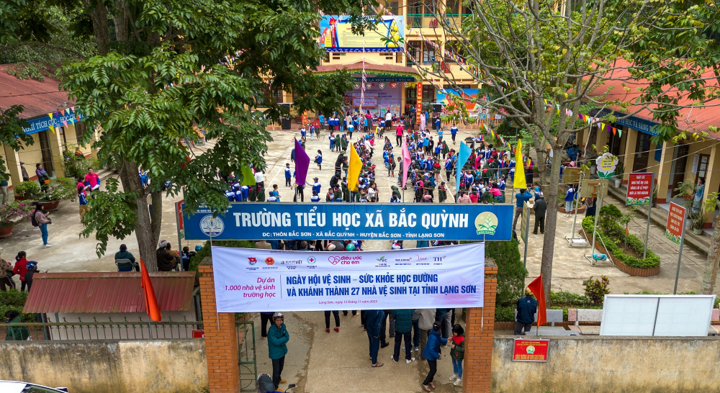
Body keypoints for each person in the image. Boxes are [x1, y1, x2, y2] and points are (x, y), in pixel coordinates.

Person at [422, 322, 447, 391]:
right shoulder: (433, 338)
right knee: (433, 370)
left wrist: (447, 340)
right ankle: (425, 383)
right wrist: (437, 356)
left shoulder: (435, 333)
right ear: (439, 329)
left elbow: (440, 339)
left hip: (431, 355)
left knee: (433, 369)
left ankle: (430, 380)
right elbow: (431, 349)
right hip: (430, 356)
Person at [268, 312, 289, 390]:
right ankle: (275, 386)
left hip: (282, 351)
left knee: (281, 367)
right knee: (276, 370)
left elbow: (287, 336)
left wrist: (281, 339)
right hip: (275, 353)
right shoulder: (271, 330)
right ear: (274, 321)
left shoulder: (283, 326)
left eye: (280, 320)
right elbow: (276, 342)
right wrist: (283, 338)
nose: (279, 322)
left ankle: (279, 379)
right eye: (277, 320)